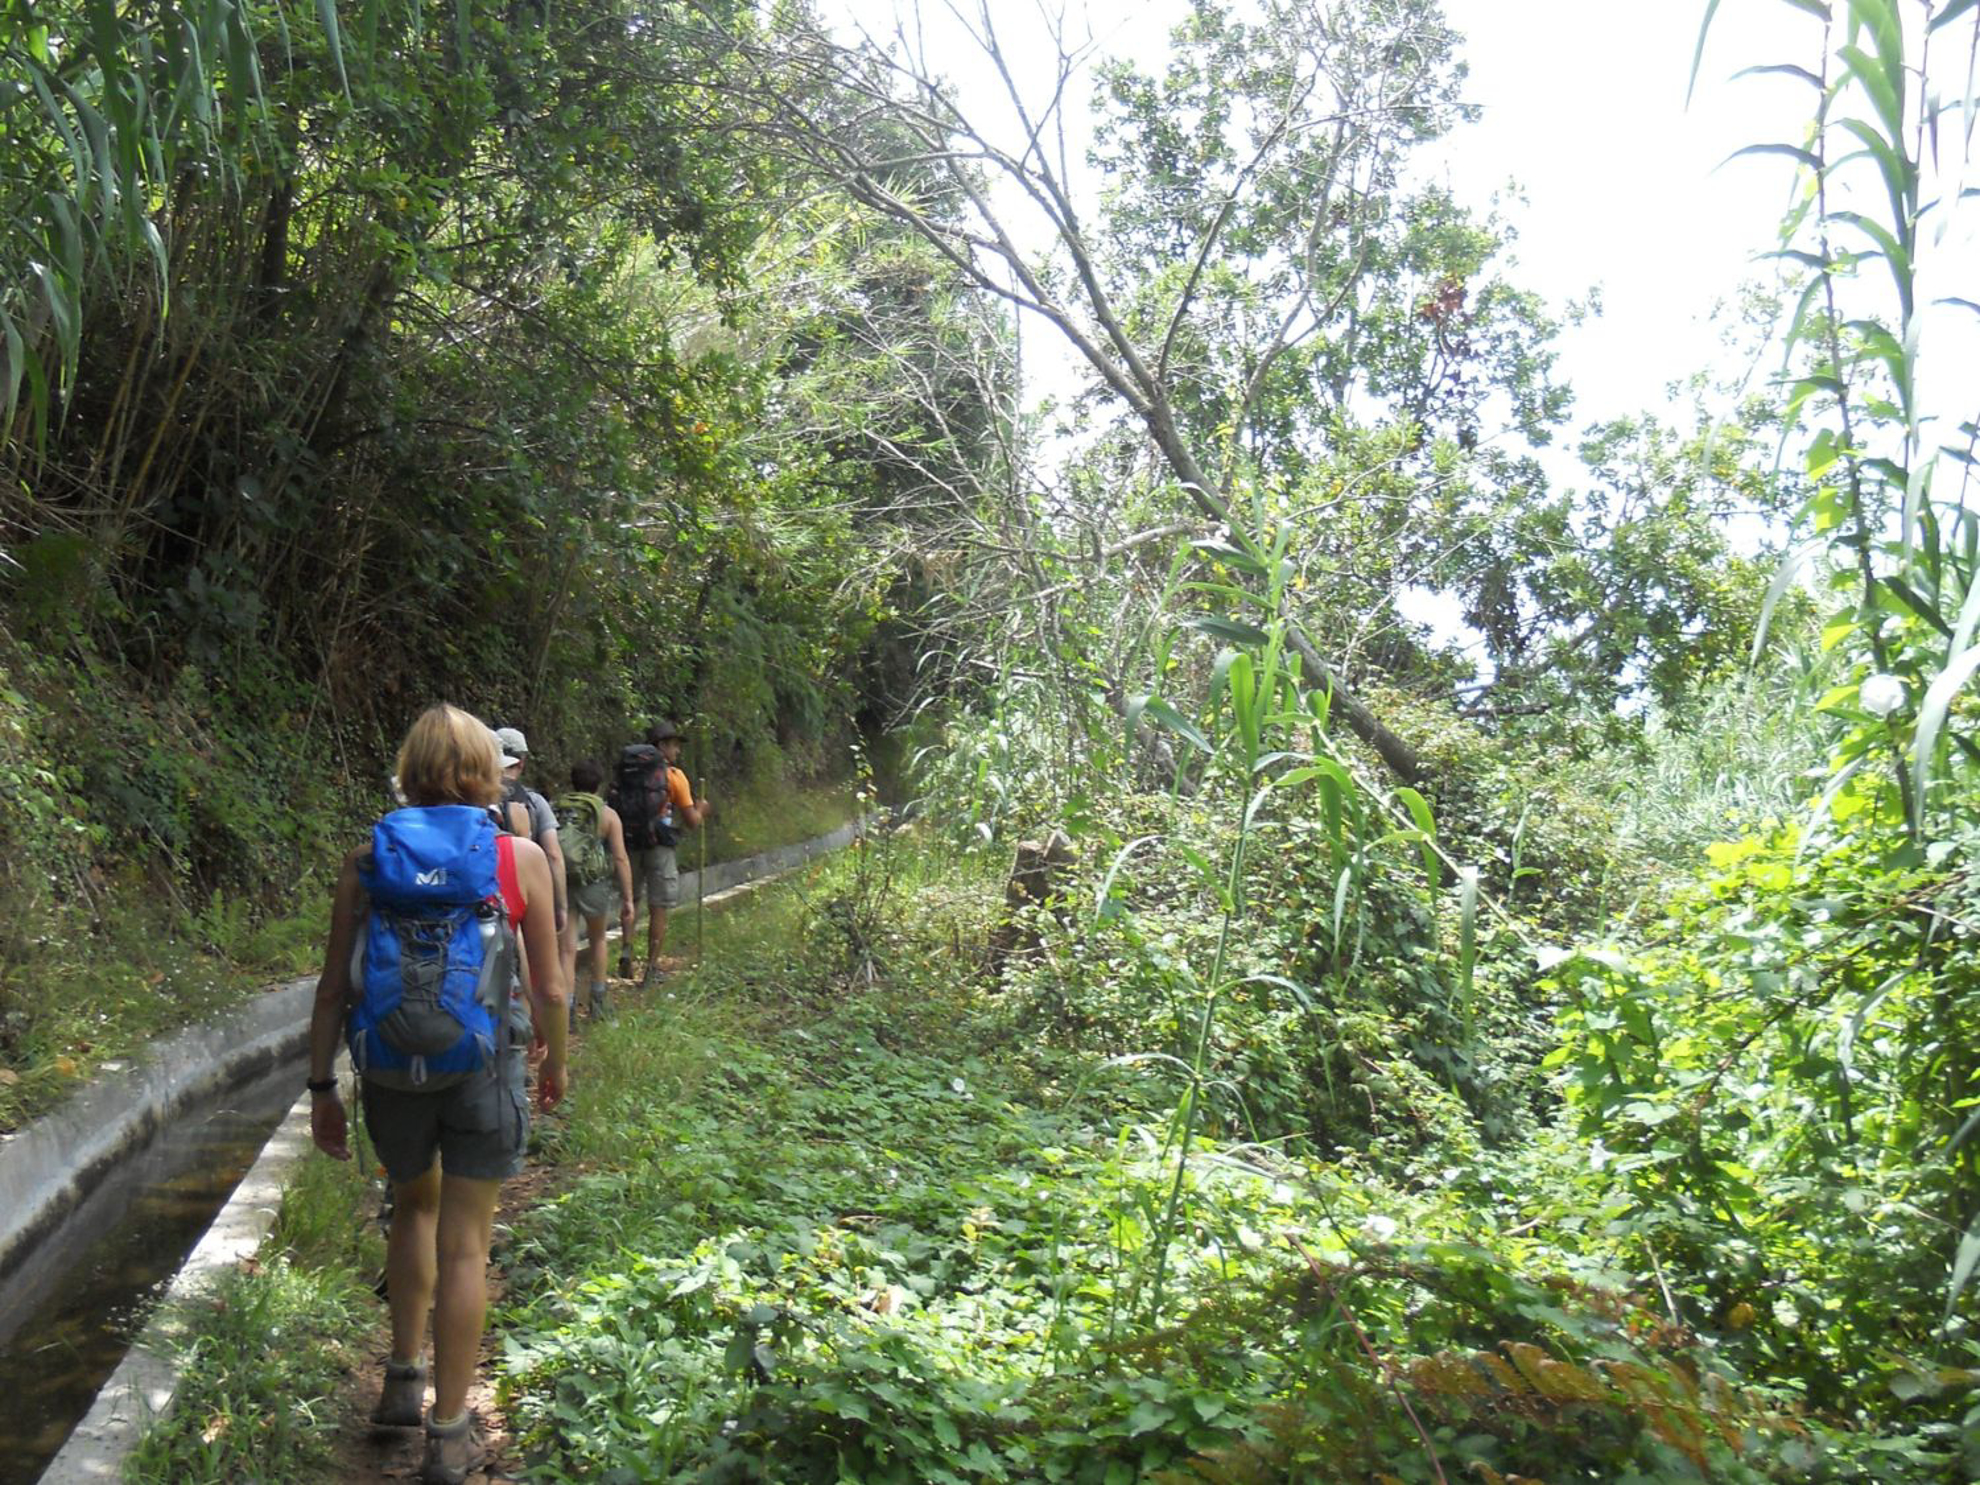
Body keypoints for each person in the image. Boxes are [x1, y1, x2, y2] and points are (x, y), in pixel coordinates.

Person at [307, 704, 568, 1485]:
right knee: (466, 1243)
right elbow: (551, 986)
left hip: (392, 1066)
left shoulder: (367, 860)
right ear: (490, 772)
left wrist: (322, 1085)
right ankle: (449, 1433)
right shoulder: (517, 856)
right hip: (484, 1066)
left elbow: (332, 988)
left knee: (412, 1207)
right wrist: (556, 1061)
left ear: (408, 771)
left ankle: (401, 1377)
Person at [609, 718, 709, 989]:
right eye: (674, 745)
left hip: (629, 845)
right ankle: (651, 969)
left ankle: (626, 950)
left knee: (631, 899)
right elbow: (691, 821)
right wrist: (701, 809)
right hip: (659, 848)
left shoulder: (627, 773)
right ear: (662, 745)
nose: (677, 751)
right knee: (659, 906)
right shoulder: (674, 776)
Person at [557, 758, 635, 1022]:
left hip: (563, 882)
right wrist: (628, 898)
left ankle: (566, 1011)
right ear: (599, 783)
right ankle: (598, 1003)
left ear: (573, 781)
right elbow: (621, 858)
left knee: (567, 948)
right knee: (598, 939)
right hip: (594, 884)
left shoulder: (558, 808)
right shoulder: (607, 814)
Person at [494, 726, 568, 937]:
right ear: (522, 761)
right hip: (523, 892)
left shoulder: (478, 799)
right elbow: (553, 855)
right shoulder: (533, 801)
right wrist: (560, 905)